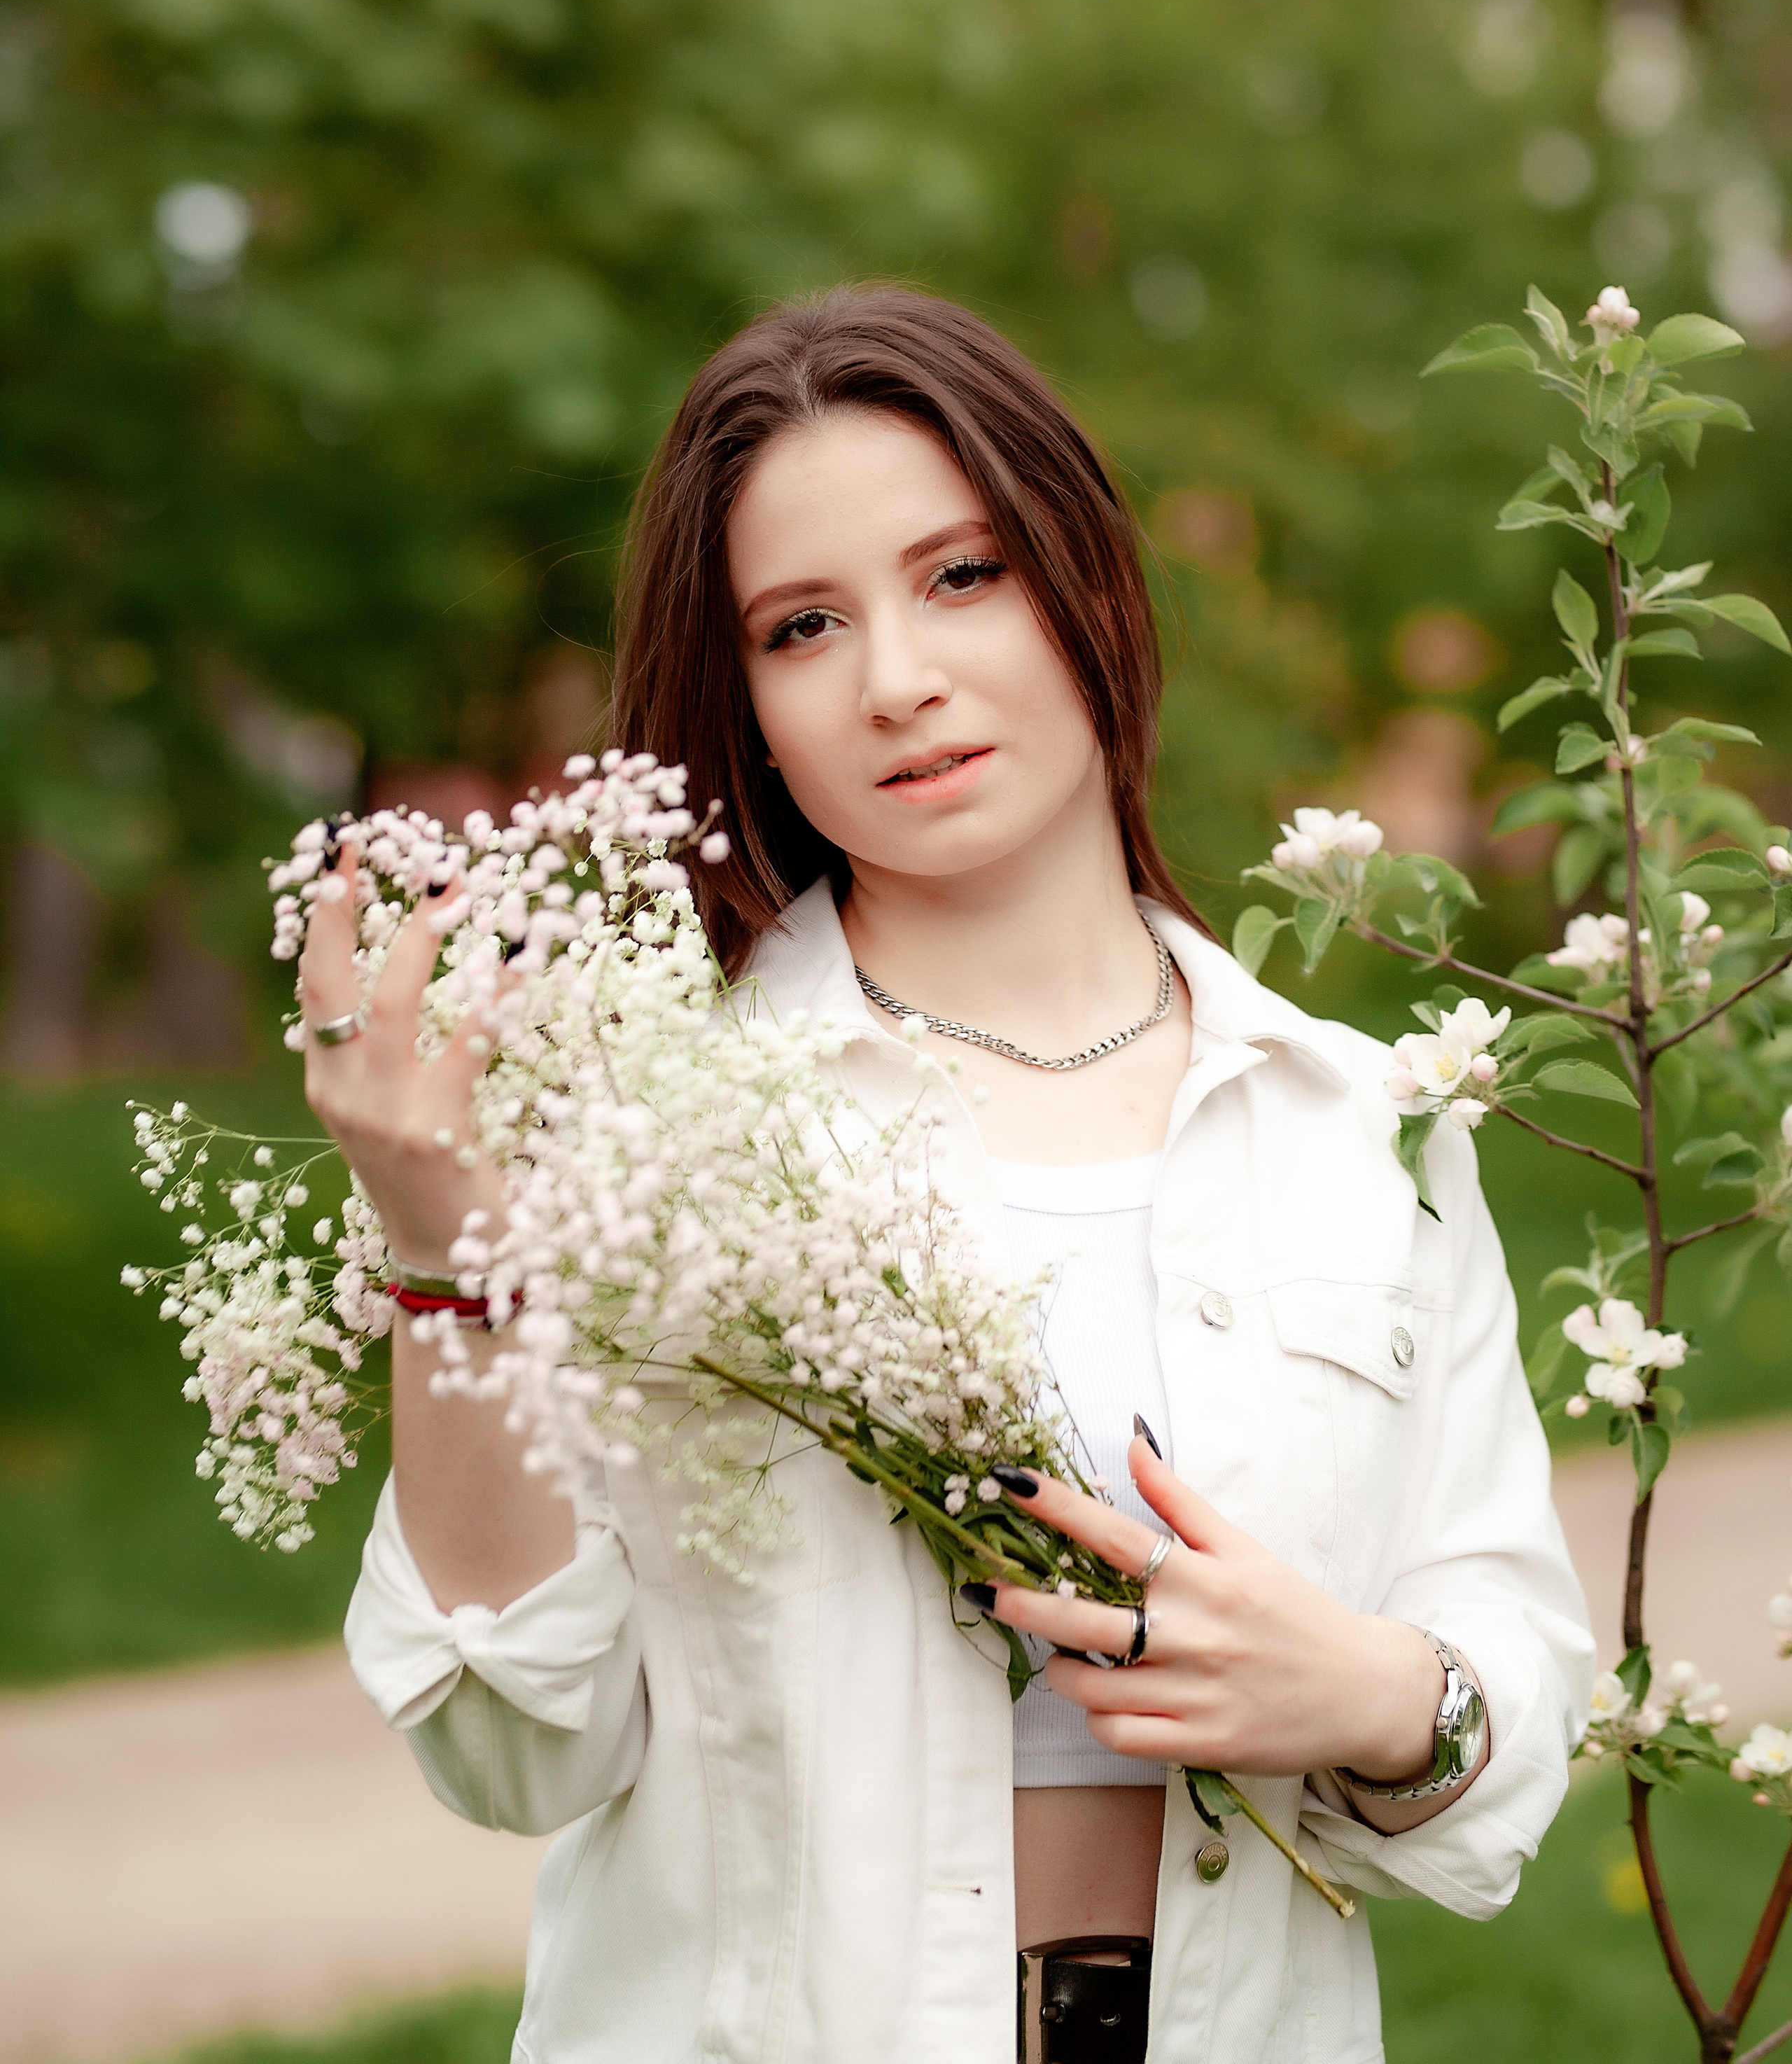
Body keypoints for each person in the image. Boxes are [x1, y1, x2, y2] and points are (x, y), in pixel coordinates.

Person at [308, 288, 1592, 2064]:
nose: (896, 678)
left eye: (962, 574)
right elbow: (516, 1746)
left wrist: (1372, 1696)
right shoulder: (643, 1136)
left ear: (1088, 582)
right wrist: (444, 1249)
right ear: (743, 702)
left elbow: (1504, 1696)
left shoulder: (1360, 1123)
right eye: (802, 624)